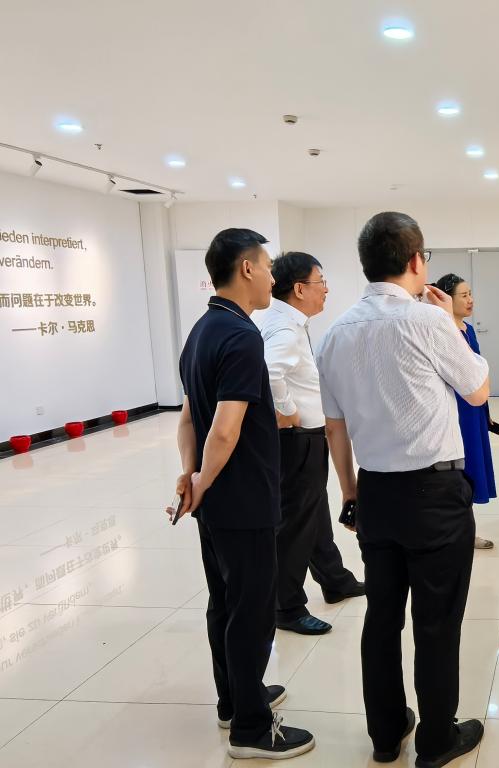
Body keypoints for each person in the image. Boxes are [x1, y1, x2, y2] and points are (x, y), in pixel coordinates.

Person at [316, 212, 489, 767]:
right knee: (436, 622)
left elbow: (335, 428)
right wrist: (452, 325)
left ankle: (386, 734)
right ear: (416, 261)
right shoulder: (429, 321)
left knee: (382, 616)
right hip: (435, 495)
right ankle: (437, 741)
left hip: (375, 494)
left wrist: (350, 494)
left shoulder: (335, 334)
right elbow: (478, 390)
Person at [172, 228, 314, 760]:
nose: (273, 278)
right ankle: (251, 730)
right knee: (251, 610)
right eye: (269, 267)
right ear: (247, 268)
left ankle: (234, 699)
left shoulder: (201, 331)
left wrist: (191, 478)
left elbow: (188, 419)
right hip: (243, 498)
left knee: (225, 602)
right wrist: (202, 480)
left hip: (215, 502)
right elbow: (225, 429)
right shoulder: (241, 336)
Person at [259, 251, 365, 636]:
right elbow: (270, 373)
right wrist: (288, 411)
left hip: (305, 438)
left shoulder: (286, 321)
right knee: (296, 525)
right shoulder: (286, 329)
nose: (326, 290)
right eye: (321, 282)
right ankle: (285, 606)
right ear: (300, 288)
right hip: (297, 439)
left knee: (314, 514)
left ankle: (335, 580)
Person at [435, 273, 495, 551]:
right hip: (453, 410)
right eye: (464, 295)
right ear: (447, 299)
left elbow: (476, 373)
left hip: (473, 410)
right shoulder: (443, 331)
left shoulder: (467, 329)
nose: (470, 300)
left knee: (470, 468)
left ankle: (465, 531)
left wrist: (485, 411)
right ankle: (457, 532)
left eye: (471, 294)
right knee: (457, 470)